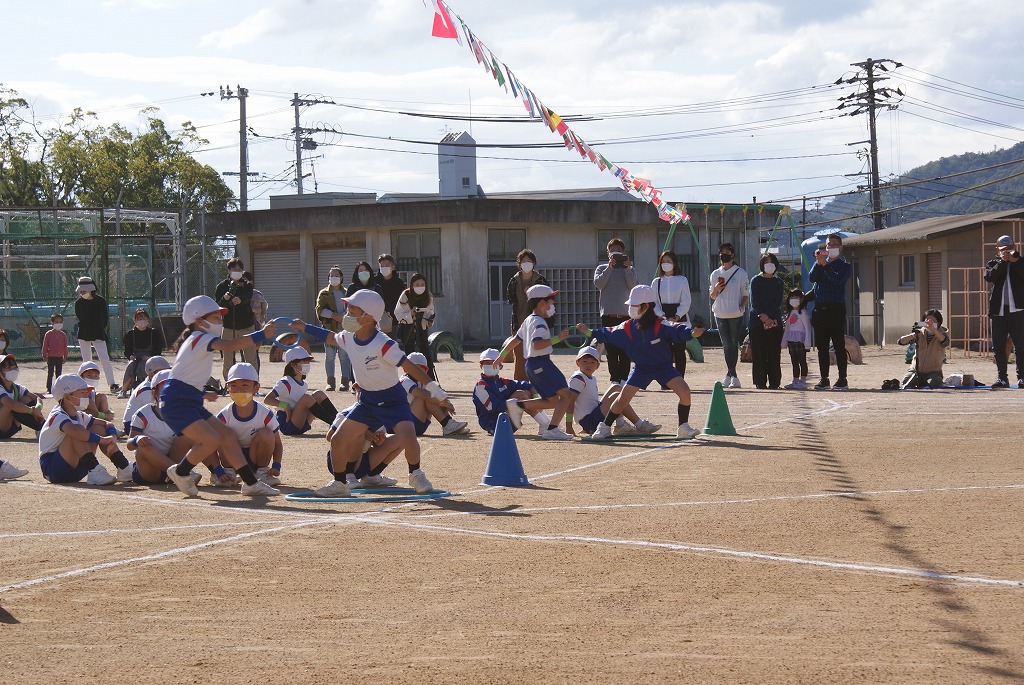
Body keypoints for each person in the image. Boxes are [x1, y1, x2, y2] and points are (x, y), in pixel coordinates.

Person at [292, 288, 442, 497]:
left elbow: (408, 366)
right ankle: (340, 483)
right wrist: (305, 327)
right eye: (348, 309)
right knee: (337, 440)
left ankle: (416, 473)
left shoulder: (384, 344)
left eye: (352, 310)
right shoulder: (349, 338)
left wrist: (434, 388)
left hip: (393, 399)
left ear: (369, 317)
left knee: (408, 436)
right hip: (367, 401)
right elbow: (330, 337)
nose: (347, 314)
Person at [160, 295, 279, 497]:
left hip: (186, 399)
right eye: (215, 317)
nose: (220, 321)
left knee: (227, 435)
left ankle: (250, 483)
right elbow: (232, 345)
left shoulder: (196, 340)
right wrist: (261, 334)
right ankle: (180, 471)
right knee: (211, 440)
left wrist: (202, 393)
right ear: (199, 321)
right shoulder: (200, 338)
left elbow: (185, 376)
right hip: (177, 402)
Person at [577, 285, 703, 440]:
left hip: (663, 368)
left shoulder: (660, 324)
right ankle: (604, 427)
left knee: (685, 392)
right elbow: (608, 333)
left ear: (646, 306)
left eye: (634, 305)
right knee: (622, 400)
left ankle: (683, 427)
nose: (630, 308)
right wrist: (589, 332)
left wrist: (691, 333)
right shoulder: (627, 326)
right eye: (630, 305)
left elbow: (676, 329)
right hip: (641, 369)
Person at [496, 284, 574, 440]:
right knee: (566, 396)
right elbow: (537, 344)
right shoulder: (539, 323)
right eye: (551, 302)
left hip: (531, 366)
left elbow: (515, 340)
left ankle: (518, 405)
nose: (552, 306)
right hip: (542, 363)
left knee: (552, 400)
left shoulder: (528, 320)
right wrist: (558, 338)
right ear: (541, 303)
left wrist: (502, 355)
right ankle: (552, 429)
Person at [38, 373, 130, 485]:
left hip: (79, 468)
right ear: (67, 396)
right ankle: (94, 470)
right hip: (54, 470)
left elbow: (106, 424)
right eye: (83, 392)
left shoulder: (79, 415)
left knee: (98, 428)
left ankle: (123, 467)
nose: (87, 395)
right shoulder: (57, 415)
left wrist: (112, 436)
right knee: (76, 432)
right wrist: (102, 440)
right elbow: (76, 432)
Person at [125, 369, 203, 489]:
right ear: (155, 393)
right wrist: (137, 439)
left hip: (171, 462)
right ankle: (181, 474)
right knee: (144, 447)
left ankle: (184, 473)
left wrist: (217, 471)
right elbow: (130, 445)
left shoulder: (184, 413)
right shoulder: (144, 413)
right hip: (149, 472)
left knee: (194, 436)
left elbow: (204, 441)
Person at [566, 346, 659, 438]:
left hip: (593, 416)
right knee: (617, 396)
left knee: (616, 387)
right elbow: (569, 401)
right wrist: (569, 426)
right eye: (584, 361)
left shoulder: (591, 378)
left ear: (597, 365)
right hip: (590, 421)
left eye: (592, 362)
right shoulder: (578, 378)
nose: (588, 365)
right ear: (577, 362)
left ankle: (620, 424)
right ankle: (636, 424)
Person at [218, 363, 284, 486]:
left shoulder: (265, 414)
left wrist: (276, 465)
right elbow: (210, 443)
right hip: (231, 458)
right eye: (233, 385)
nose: (239, 390)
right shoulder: (224, 416)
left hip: (255, 456)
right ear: (227, 387)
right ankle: (228, 472)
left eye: (244, 385)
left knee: (267, 433)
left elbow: (278, 443)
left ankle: (261, 472)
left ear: (256, 387)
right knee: (223, 433)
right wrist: (217, 470)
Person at [808, 233, 853, 390]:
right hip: (820, 309)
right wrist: (818, 263)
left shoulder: (845, 266)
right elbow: (812, 278)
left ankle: (842, 378)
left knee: (838, 345)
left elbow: (837, 280)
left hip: (836, 309)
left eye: (834, 244)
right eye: (828, 244)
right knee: (822, 346)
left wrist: (825, 265)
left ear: (840, 247)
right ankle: (824, 378)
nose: (831, 247)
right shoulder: (820, 263)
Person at [472, 348, 550, 435]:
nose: (490, 365)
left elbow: (527, 385)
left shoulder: (503, 381)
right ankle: (546, 425)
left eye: (493, 362)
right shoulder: (481, 386)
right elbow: (491, 407)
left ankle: (546, 424)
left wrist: (535, 396)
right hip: (492, 423)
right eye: (486, 363)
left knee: (526, 392)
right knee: (521, 395)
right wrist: (514, 402)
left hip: (506, 417)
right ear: (481, 366)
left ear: (500, 366)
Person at [264, 346, 339, 436]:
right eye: (303, 360)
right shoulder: (285, 382)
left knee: (318, 394)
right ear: (292, 364)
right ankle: (335, 424)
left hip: (300, 422)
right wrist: (285, 405)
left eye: (308, 360)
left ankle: (339, 421)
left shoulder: (304, 384)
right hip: (287, 423)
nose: (307, 363)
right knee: (306, 398)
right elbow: (267, 399)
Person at [594, 238, 638, 386]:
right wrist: (609, 268)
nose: (615, 253)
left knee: (625, 349)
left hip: (626, 315)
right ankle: (614, 379)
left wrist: (626, 269)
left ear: (624, 253)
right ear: (607, 253)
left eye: (618, 250)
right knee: (611, 350)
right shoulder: (601, 268)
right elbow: (599, 284)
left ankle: (624, 378)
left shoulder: (630, 269)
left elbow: (633, 286)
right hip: (608, 314)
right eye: (612, 250)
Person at [984, 234, 1024, 389]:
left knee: (1020, 346)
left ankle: (1022, 378)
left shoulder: (1021, 262)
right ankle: (1002, 378)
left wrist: (1015, 262)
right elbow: (990, 277)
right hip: (997, 311)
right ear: (997, 250)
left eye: (1009, 249)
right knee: (998, 346)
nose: (1007, 252)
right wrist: (1002, 262)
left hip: (1018, 310)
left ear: (1015, 247)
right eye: (1003, 250)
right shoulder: (993, 263)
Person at [506, 249, 551, 381]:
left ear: (534, 263)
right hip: (518, 323)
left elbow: (547, 300)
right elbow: (510, 299)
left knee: (537, 356)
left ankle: (537, 385)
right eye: (523, 261)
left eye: (529, 261)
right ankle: (520, 385)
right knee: (519, 357)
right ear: (519, 264)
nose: (526, 264)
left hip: (537, 324)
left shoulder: (540, 280)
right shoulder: (514, 281)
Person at [709, 243, 749, 389]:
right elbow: (712, 296)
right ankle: (732, 375)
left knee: (733, 344)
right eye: (721, 252)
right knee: (726, 345)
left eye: (727, 252)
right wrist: (717, 289)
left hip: (735, 313)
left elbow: (745, 294)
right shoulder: (715, 274)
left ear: (732, 255)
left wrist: (741, 306)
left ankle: (731, 375)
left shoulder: (740, 273)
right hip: (720, 313)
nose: (724, 254)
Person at [400, 351, 469, 436]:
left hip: (418, 423)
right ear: (405, 369)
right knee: (427, 395)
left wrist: (446, 402)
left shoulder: (423, 382)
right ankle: (447, 424)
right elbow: (423, 394)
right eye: (414, 369)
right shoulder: (404, 380)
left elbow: (437, 393)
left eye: (420, 369)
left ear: (426, 371)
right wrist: (445, 402)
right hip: (406, 425)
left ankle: (449, 423)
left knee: (433, 394)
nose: (417, 372)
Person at [213, 257, 258, 382]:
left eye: (239, 269)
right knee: (227, 358)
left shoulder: (247, 286)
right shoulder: (222, 286)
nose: (237, 271)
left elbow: (247, 298)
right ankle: (228, 383)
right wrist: (225, 299)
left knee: (250, 357)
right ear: (228, 271)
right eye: (234, 269)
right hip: (228, 326)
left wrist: (240, 300)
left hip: (246, 326)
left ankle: (253, 382)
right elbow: (218, 305)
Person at [74, 275, 119, 393]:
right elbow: (79, 316)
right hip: (83, 333)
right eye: (81, 291)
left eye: (84, 290)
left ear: (91, 289)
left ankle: (112, 384)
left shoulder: (100, 301)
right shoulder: (79, 302)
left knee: (105, 359)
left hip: (98, 333)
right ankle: (84, 385)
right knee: (86, 361)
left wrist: (98, 328)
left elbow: (104, 318)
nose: (82, 293)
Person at [652, 250, 692, 378]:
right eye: (663, 262)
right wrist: (662, 316)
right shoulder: (656, 282)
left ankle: (679, 379)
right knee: (665, 352)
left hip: (680, 318)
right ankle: (667, 380)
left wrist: (678, 315)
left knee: (679, 351)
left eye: (668, 261)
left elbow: (686, 301)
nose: (666, 264)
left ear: (674, 263)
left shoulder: (682, 280)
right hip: (663, 319)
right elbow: (654, 303)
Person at [748, 253, 785, 390]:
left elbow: (777, 302)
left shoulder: (779, 282)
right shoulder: (755, 280)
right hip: (757, 323)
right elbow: (754, 301)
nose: (769, 264)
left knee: (774, 353)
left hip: (774, 322)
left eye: (772, 262)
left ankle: (775, 382)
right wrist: (762, 316)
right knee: (759, 353)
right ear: (762, 264)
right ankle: (760, 381)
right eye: (766, 262)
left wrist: (768, 317)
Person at [316, 265, 353, 392]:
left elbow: (351, 309)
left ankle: (345, 382)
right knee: (330, 357)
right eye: (331, 275)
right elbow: (319, 310)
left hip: (344, 328)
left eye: (336, 275)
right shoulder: (324, 293)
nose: (333, 278)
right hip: (328, 329)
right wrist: (333, 315)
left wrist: (342, 317)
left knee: (344, 357)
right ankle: (330, 382)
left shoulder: (347, 292)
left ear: (341, 278)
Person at [394, 272, 437, 380]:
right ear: (412, 285)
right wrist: (411, 314)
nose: (420, 287)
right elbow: (397, 313)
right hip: (407, 327)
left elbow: (431, 312)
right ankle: (411, 378)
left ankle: (429, 379)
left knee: (425, 351)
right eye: (417, 284)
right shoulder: (405, 295)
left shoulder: (428, 296)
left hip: (421, 327)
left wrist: (429, 321)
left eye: (422, 284)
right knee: (410, 352)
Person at [897, 310, 950, 389]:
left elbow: (945, 342)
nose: (929, 324)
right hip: (915, 370)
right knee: (906, 383)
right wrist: (913, 335)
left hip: (933, 371)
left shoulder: (942, 334)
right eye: (927, 321)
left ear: (938, 323)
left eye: (933, 321)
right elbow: (900, 342)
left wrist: (934, 330)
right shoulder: (920, 334)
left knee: (935, 383)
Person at [119, 308, 166, 397]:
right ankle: (124, 389)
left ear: (148, 320)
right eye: (139, 319)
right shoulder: (130, 334)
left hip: (149, 357)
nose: (142, 321)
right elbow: (127, 350)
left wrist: (150, 357)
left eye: (144, 319)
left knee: (143, 365)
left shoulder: (154, 332)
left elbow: (158, 349)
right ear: (135, 321)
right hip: (136, 356)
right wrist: (131, 356)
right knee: (131, 365)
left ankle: (143, 387)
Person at [122, 356, 172, 435]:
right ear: (151, 375)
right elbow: (158, 411)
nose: (165, 374)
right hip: (132, 424)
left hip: (145, 420)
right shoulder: (145, 389)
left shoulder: (158, 385)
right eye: (161, 372)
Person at [0, 354, 45, 439]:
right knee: (10, 405)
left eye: (14, 367)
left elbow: (36, 397)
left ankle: (41, 428)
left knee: (26, 398)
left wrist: (38, 408)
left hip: (11, 426)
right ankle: (40, 428)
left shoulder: (17, 387)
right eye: (8, 368)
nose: (12, 370)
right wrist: (31, 411)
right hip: (1, 428)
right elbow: (11, 404)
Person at [781, 288, 812, 390]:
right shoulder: (790, 313)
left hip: (800, 339)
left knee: (802, 360)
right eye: (792, 297)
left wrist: (808, 342)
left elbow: (807, 328)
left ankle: (803, 380)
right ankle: (795, 380)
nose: (794, 299)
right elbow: (787, 328)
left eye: (796, 297)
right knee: (794, 360)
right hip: (791, 339)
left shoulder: (803, 312)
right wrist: (784, 342)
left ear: (801, 299)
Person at [373, 253, 406, 337]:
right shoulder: (374, 282)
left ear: (393, 267)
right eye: (382, 265)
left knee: (390, 346)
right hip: (377, 320)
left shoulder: (399, 283)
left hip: (394, 321)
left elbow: (403, 301)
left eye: (387, 265)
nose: (384, 267)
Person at [245, 271, 268, 373]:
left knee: (253, 354)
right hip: (239, 327)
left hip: (254, 326)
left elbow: (258, 310)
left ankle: (254, 377)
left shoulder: (255, 294)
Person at [41, 312, 69, 396]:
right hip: (51, 357)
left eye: (60, 322)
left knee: (59, 374)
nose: (58, 324)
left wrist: (65, 356)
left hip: (59, 357)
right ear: (52, 323)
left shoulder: (63, 335)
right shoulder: (48, 334)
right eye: (56, 322)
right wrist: (44, 355)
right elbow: (45, 345)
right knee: (50, 373)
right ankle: (49, 388)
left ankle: (58, 388)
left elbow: (65, 347)